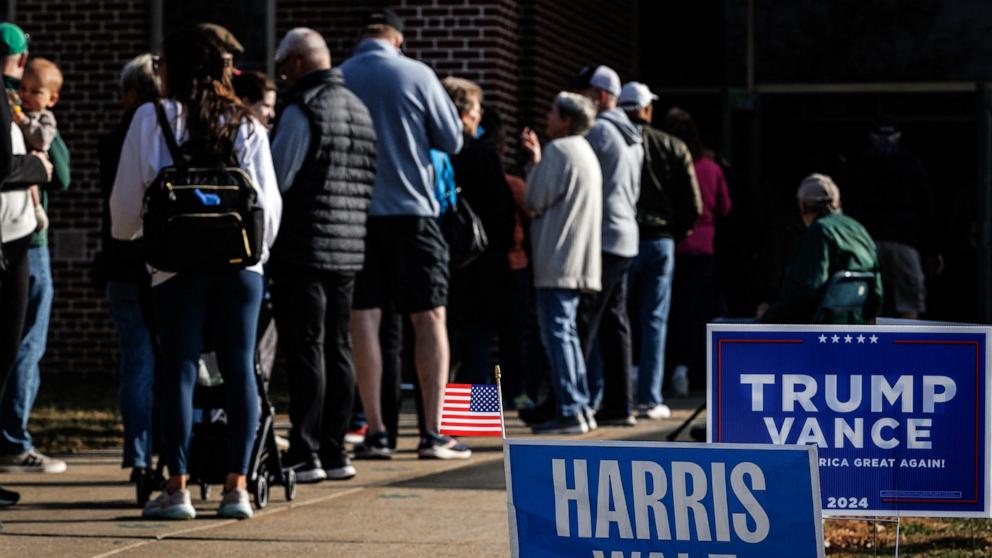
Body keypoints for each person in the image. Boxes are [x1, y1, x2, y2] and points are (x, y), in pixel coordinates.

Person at [110, 27, 282, 520]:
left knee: (178, 368)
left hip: (174, 265)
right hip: (241, 263)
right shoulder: (246, 122)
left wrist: (140, 238)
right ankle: (238, 488)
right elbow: (268, 204)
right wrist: (256, 252)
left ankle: (178, 487)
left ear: (173, 69)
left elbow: (124, 210)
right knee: (239, 367)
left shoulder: (150, 117)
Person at [339, 8, 469, 460]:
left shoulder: (341, 76)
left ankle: (375, 431)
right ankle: (433, 432)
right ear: (398, 39)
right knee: (430, 316)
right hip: (413, 211)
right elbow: (452, 140)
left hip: (357, 215)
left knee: (364, 319)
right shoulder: (417, 74)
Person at [269, 28, 376, 484]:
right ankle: (335, 450)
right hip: (349, 247)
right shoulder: (359, 108)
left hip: (305, 247)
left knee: (305, 349)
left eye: (283, 65)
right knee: (339, 346)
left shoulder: (303, 108)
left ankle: (306, 450)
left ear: (296, 62)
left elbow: (278, 179)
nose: (281, 74)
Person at [0, 22, 67, 476]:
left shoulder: (38, 122)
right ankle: (12, 438)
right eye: (22, 87)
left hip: (29, 237)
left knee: (26, 344)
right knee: (22, 344)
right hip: (19, 241)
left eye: (35, 91)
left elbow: (60, 173)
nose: (26, 95)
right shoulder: (9, 107)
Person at [521, 91, 601, 434]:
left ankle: (570, 409)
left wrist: (534, 163)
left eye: (552, 113)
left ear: (567, 119)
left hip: (557, 259)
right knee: (567, 334)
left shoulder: (560, 150)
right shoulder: (585, 151)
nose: (548, 119)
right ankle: (579, 406)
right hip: (579, 259)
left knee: (557, 335)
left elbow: (534, 199)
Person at [96, 53, 159, 483]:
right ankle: (170, 451)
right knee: (174, 360)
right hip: (165, 264)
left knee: (137, 360)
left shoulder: (115, 141)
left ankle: (138, 455)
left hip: (123, 261)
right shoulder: (175, 135)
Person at [573, 65, 643, 426]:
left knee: (585, 320)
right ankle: (620, 404)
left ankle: (572, 402)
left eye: (585, 93)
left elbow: (578, 177)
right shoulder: (633, 133)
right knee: (616, 322)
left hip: (603, 236)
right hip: (627, 236)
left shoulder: (599, 130)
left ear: (599, 95)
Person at [442, 77, 514, 385]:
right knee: (477, 340)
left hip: (442, 258)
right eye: (474, 109)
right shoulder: (483, 155)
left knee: (446, 339)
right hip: (482, 261)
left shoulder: (434, 151)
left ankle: (440, 413)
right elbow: (503, 211)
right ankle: (476, 416)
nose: (479, 116)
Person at [656, 106, 723, 398]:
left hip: (674, 244)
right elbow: (725, 207)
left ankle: (664, 370)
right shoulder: (710, 168)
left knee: (665, 311)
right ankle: (689, 370)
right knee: (696, 312)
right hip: (703, 247)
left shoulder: (665, 165)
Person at [842, 118, 938, 319]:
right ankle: (876, 345)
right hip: (872, 243)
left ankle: (907, 346)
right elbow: (926, 206)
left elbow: (925, 205)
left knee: (898, 299)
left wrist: (931, 248)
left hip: (889, 241)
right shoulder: (862, 163)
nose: (885, 141)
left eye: (889, 136)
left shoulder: (906, 162)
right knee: (872, 300)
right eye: (881, 136)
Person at [757, 174, 882, 324]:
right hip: (854, 327)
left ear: (802, 206)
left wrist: (770, 315)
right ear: (837, 202)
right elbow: (877, 291)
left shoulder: (819, 232)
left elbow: (804, 292)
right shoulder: (858, 229)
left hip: (819, 331)